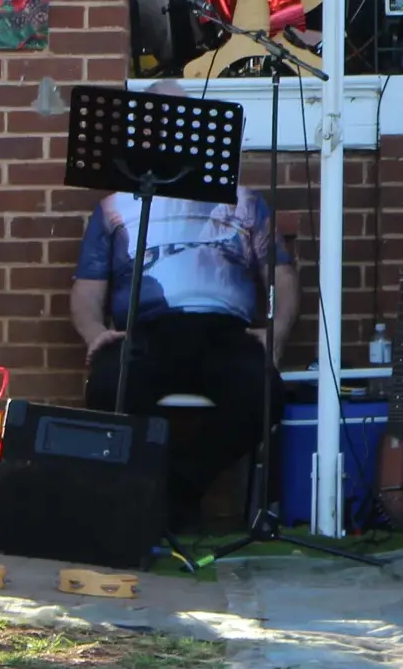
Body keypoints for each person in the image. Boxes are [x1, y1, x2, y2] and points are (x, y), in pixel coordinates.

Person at [71, 82, 299, 526]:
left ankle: (176, 486)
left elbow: (283, 278)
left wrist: (276, 331)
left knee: (264, 392)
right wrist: (95, 335)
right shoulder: (115, 206)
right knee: (106, 387)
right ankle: (158, 494)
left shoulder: (245, 202)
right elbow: (86, 288)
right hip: (147, 333)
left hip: (223, 333)